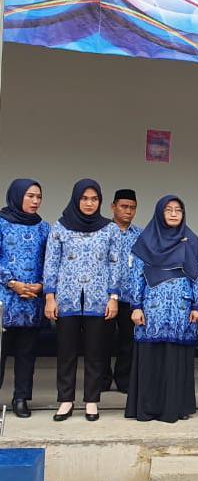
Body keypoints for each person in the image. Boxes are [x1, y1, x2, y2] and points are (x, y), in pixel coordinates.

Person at [44, 179, 120, 422]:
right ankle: (66, 400)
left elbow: (115, 264)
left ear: (100, 201)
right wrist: (49, 297)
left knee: (95, 352)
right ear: (77, 199)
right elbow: (51, 263)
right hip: (66, 299)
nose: (89, 203)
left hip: (99, 300)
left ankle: (91, 401)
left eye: (94, 199)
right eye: (85, 198)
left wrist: (113, 297)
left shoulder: (109, 229)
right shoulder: (60, 227)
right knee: (66, 352)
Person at [125, 196, 198, 423]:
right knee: (151, 356)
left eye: (178, 210)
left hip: (181, 308)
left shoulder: (191, 241)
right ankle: (148, 408)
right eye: (168, 210)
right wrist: (136, 306)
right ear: (159, 213)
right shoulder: (146, 241)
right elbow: (135, 276)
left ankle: (175, 408)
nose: (173, 214)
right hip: (152, 308)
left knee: (175, 357)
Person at [0, 179, 50, 418]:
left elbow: (49, 262)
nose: (35, 201)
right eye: (30, 196)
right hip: (4, 300)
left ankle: (21, 398)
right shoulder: (0, 223)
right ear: (17, 195)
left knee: (26, 353)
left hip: (31, 301)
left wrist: (41, 285)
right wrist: (13, 283)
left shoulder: (44, 228)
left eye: (38, 197)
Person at [102, 189, 140, 394]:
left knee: (128, 340)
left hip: (131, 297)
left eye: (132, 207)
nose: (128, 211)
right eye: (124, 206)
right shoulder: (103, 232)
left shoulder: (140, 235)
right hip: (105, 298)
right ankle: (102, 380)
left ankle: (124, 380)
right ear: (113, 206)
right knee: (102, 341)